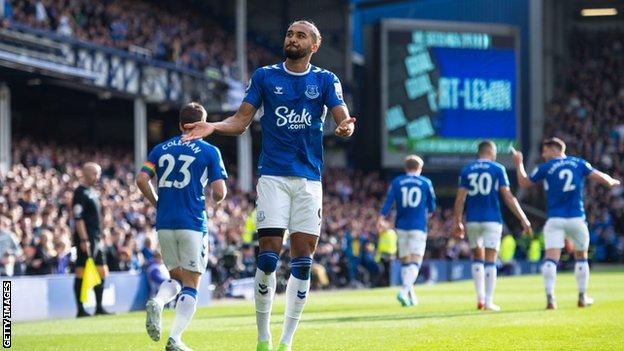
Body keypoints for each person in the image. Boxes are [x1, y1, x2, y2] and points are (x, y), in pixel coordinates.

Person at [182, 20, 355, 351]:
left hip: (309, 180)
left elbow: (340, 116)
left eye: (300, 35)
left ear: (314, 46)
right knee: (268, 258)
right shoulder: (264, 76)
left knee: (303, 261)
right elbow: (241, 120)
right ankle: (263, 338)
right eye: (290, 33)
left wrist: (344, 126)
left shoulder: (325, 80)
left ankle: (286, 341)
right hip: (273, 176)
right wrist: (214, 126)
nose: (292, 38)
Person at [137, 102, 227, 351]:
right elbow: (219, 192)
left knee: (175, 277)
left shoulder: (160, 148)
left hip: (164, 222)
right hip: (192, 222)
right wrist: (213, 199)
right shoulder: (209, 151)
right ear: (202, 123)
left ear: (179, 125)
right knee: (192, 283)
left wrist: (156, 201)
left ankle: (158, 300)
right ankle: (175, 338)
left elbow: (142, 178)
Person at [512, 138, 620, 309]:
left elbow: (524, 182)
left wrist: (519, 163)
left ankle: (550, 298)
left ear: (555, 149)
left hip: (555, 219)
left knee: (551, 259)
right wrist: (613, 181)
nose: (543, 154)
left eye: (545, 150)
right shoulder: (578, 163)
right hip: (577, 218)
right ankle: (582, 297)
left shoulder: (546, 167)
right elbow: (603, 179)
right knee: (581, 258)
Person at [452, 140, 532, 311]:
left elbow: (460, 199)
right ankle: (488, 301)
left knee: (477, 257)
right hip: (492, 219)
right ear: (491, 152)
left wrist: (457, 221)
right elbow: (508, 197)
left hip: (473, 219)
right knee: (490, 260)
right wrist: (523, 219)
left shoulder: (467, 170)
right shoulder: (497, 169)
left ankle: (480, 298)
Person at [378, 155, 436, 307]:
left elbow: (388, 202)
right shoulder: (425, 182)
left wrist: (381, 218)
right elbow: (432, 207)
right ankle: (404, 291)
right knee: (415, 261)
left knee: (405, 261)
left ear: (405, 168)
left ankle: (410, 295)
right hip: (418, 226)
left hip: (401, 226)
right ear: (420, 168)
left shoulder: (397, 182)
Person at [72, 162, 111, 317]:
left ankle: (99, 307)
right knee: (81, 271)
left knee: (102, 271)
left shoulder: (93, 192)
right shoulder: (80, 192)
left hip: (97, 238)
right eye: (95, 173)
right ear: (86, 173)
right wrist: (83, 239)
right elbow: (78, 217)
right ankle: (80, 309)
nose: (98, 177)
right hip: (87, 239)